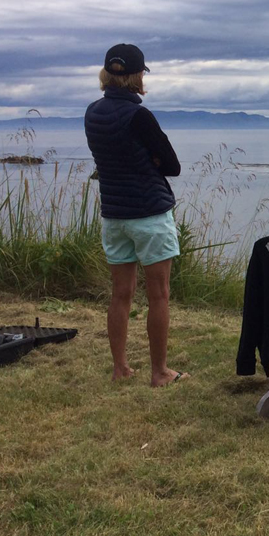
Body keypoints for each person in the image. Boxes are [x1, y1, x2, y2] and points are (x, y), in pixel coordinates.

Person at [84, 43, 188, 387]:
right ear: (136, 76)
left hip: (113, 214)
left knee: (120, 294)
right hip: (148, 214)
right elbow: (171, 165)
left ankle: (120, 367)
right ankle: (159, 372)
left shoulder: (92, 113)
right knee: (159, 294)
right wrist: (152, 161)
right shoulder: (139, 116)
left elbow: (112, 159)